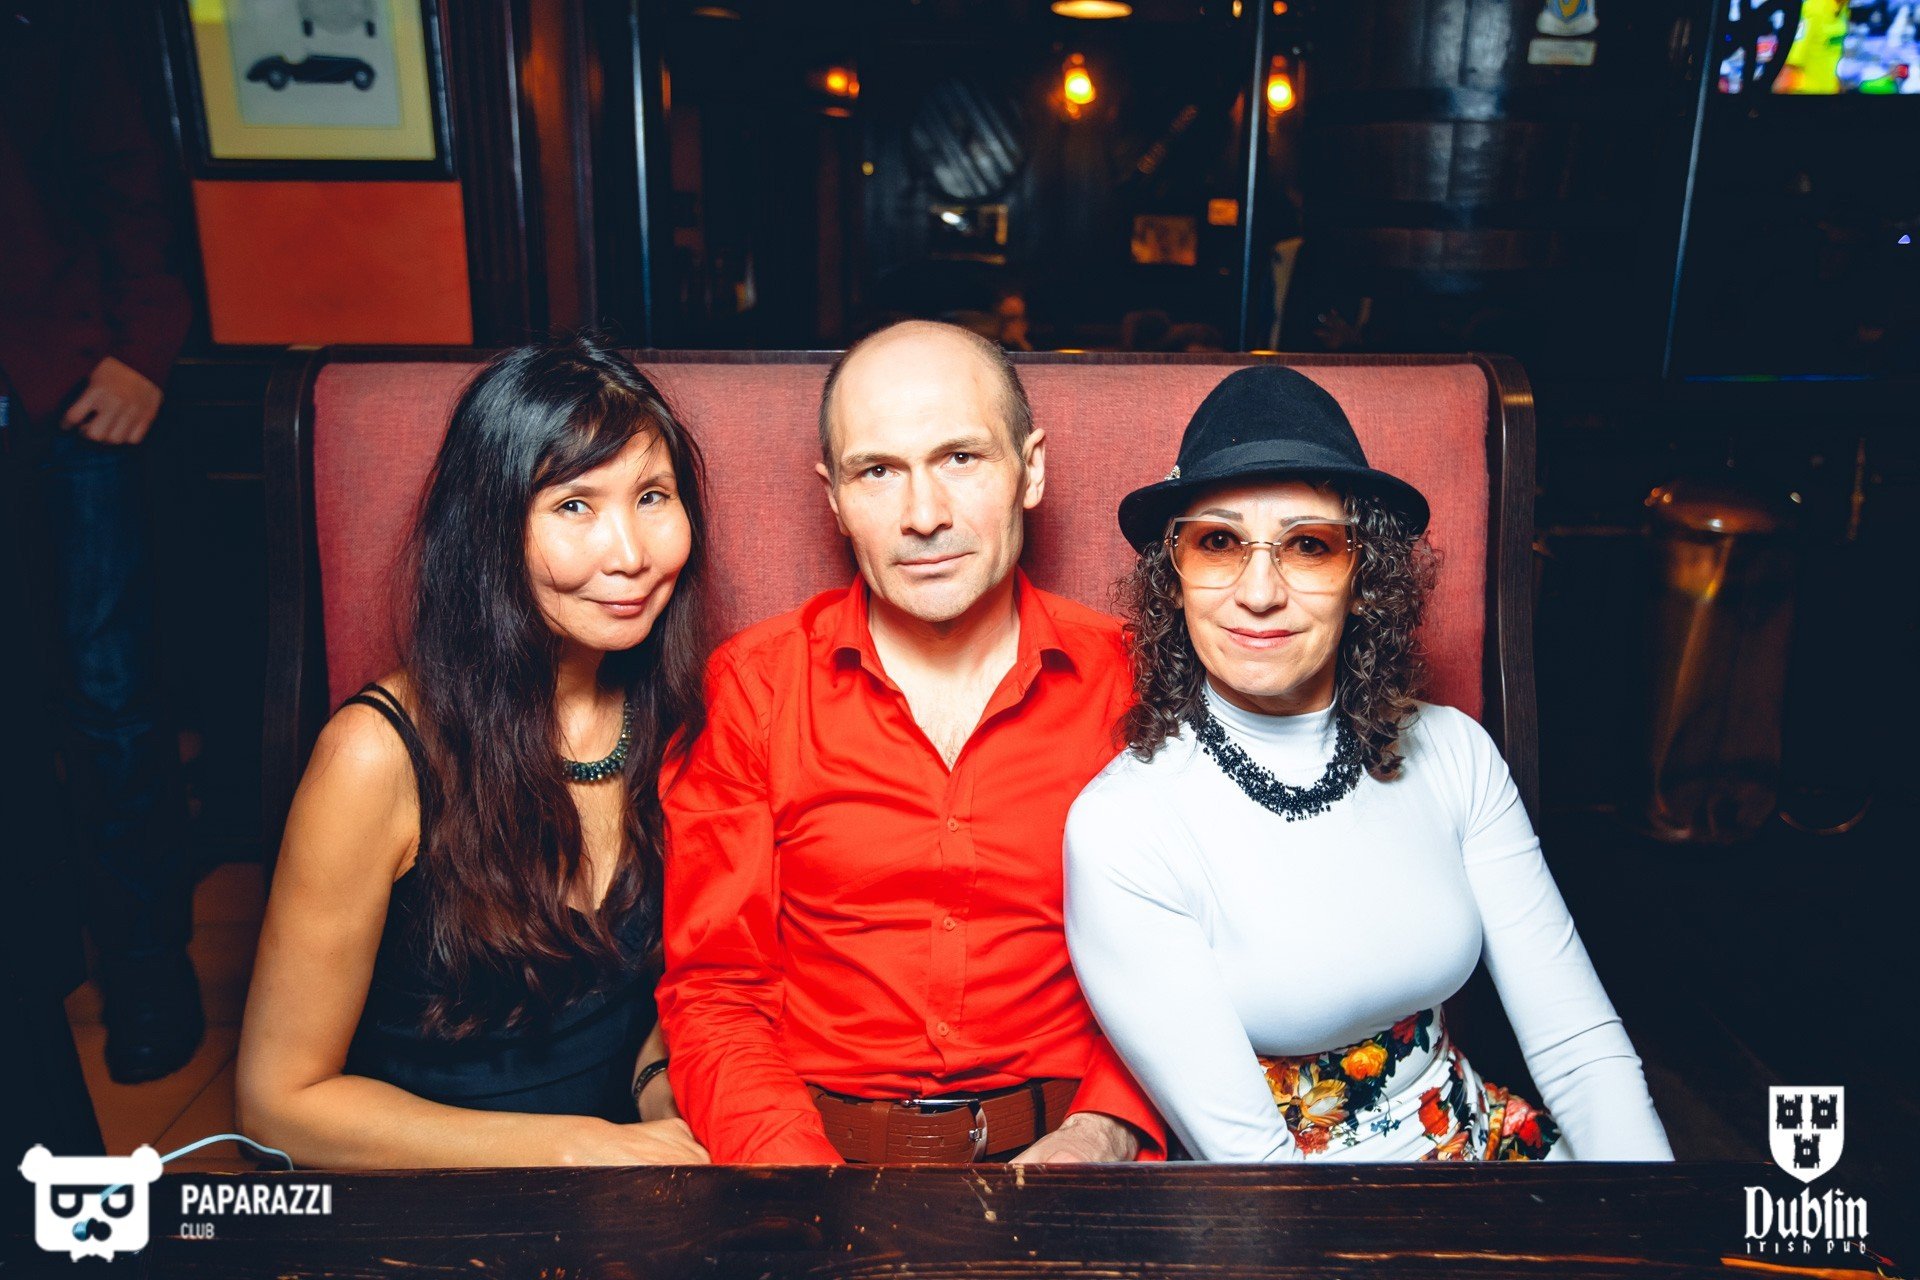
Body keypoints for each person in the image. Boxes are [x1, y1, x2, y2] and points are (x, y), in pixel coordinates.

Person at [1064, 365, 1672, 1163]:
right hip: (1291, 1209)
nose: (1258, 592)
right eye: (1217, 542)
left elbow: (1579, 1048)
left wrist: (1646, 1213)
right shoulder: (1123, 827)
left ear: (1364, 578)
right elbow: (1257, 1171)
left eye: (1308, 546)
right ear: (1173, 577)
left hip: (1490, 1152)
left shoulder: (1454, 752)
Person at [658, 320, 1165, 1164]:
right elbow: (717, 992)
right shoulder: (754, 688)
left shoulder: (1133, 679)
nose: (924, 516)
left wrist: (1103, 1132)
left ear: (1030, 469)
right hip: (815, 1166)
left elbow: (1193, 953)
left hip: (1073, 1160)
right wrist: (804, 1194)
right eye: (878, 472)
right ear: (833, 498)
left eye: (960, 458)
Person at [236, 339, 710, 1168]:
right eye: (574, 505)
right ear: (488, 529)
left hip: (623, 1179)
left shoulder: (675, 714)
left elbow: (650, 1000)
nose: (631, 554)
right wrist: (570, 1147)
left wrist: (655, 1086)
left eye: (652, 497)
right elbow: (278, 1105)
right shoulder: (376, 757)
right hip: (434, 1197)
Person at [1, 0, 200, 1084]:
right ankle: (34, 967)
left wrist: (143, 345)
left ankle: (146, 975)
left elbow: (129, 179)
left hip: (61, 388)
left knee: (110, 696)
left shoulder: (53, 24)